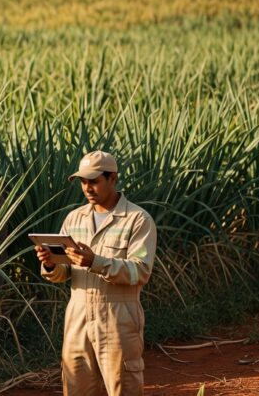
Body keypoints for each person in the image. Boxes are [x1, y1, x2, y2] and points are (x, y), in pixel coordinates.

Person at [36, 150, 157, 396]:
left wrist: (96, 262)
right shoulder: (74, 219)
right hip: (77, 317)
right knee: (75, 387)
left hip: (118, 317)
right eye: (83, 182)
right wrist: (50, 264)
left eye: (94, 181)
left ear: (112, 178)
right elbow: (64, 272)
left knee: (124, 388)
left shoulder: (137, 220)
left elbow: (140, 271)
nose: (87, 188)